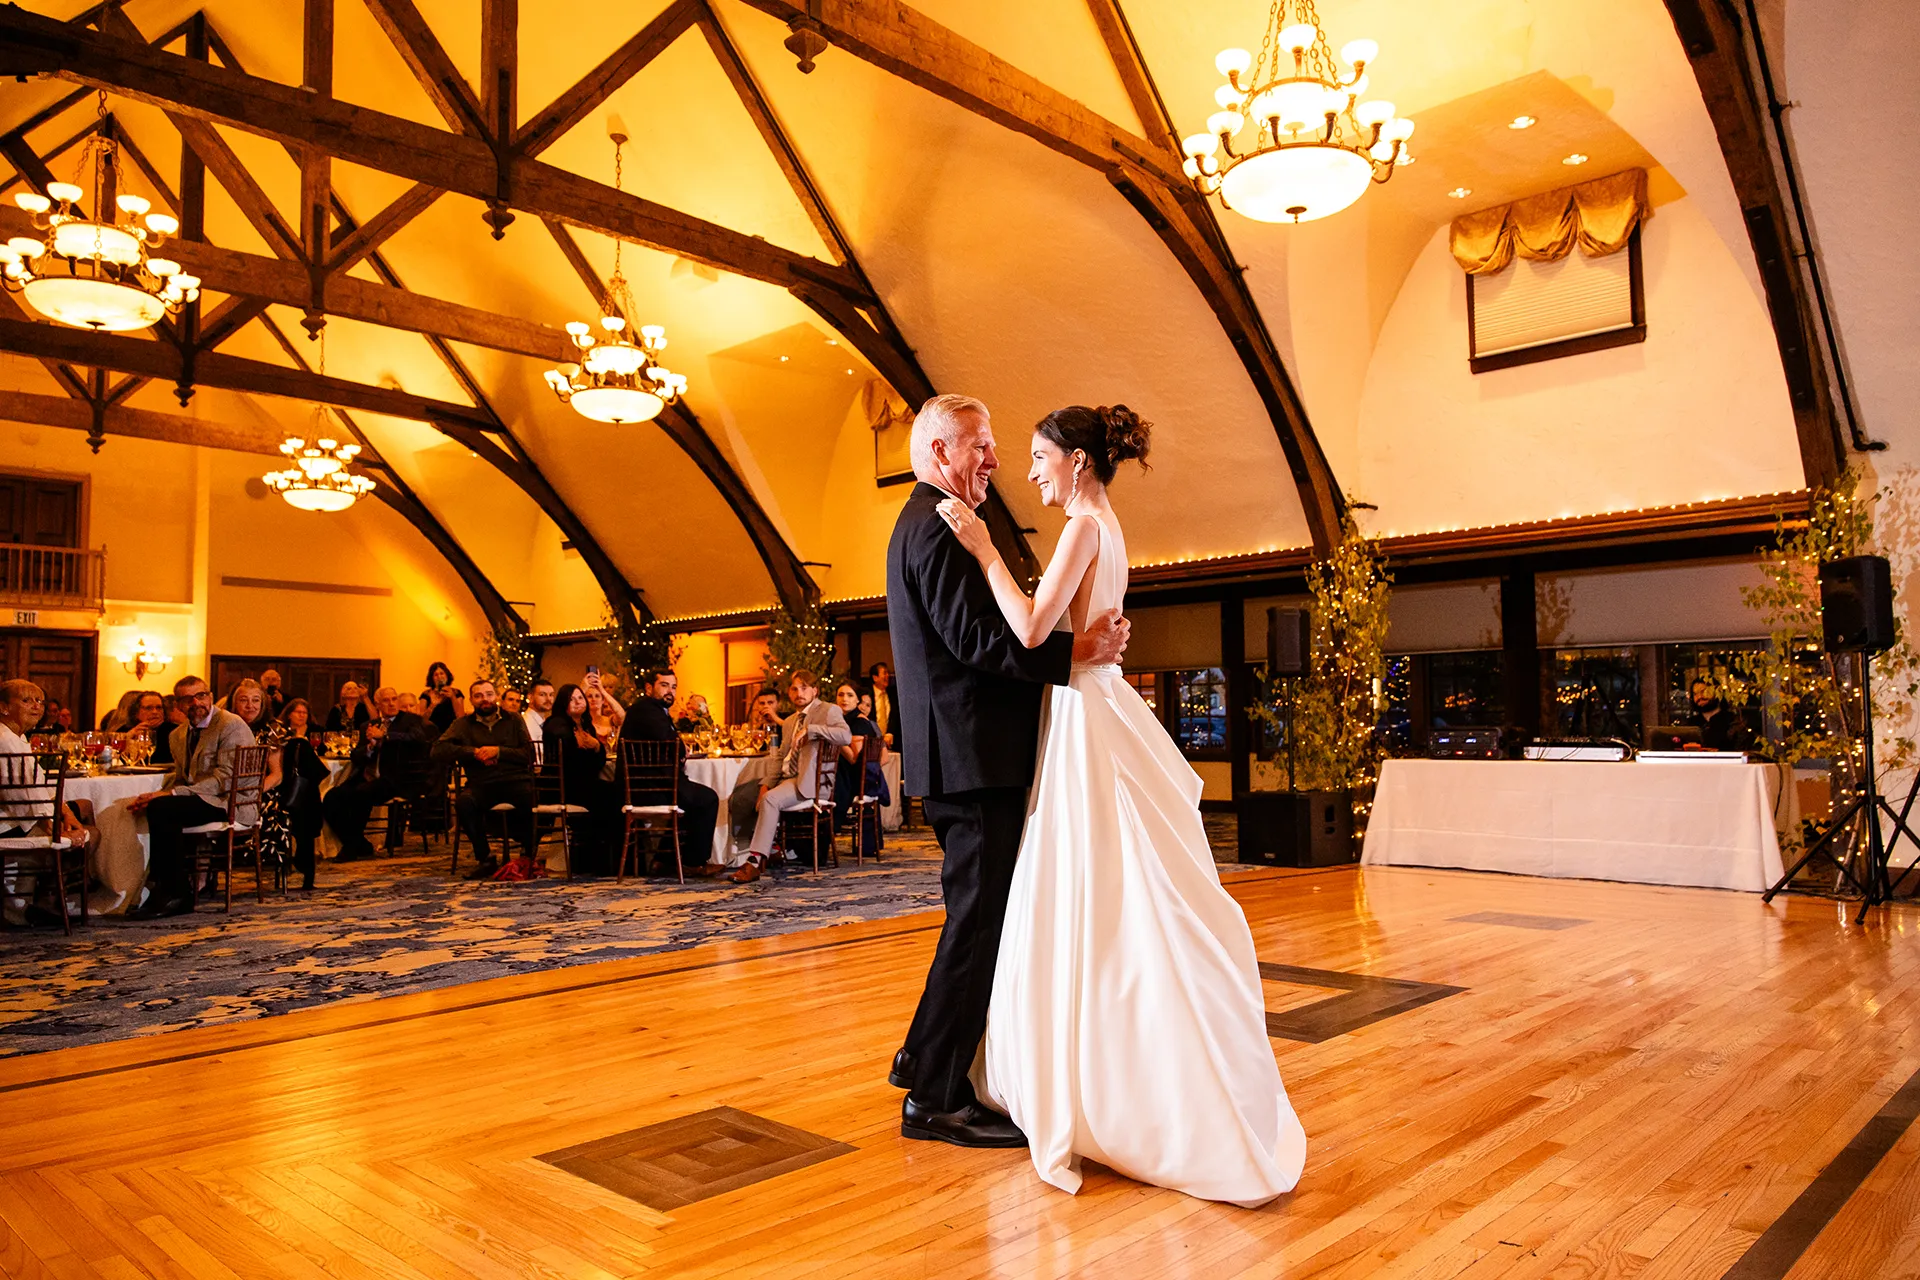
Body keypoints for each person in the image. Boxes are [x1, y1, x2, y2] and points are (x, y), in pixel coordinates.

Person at [933, 402, 1304, 1205]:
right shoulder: (1109, 523)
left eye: (1037, 457)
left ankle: (1095, 1076)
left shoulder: (1081, 528)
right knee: (1104, 880)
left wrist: (986, 551)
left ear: (1075, 460)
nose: (1028, 472)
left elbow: (1032, 631)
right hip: (1090, 701)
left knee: (1087, 883)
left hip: (1084, 714)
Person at [883, 392, 1131, 1151]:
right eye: (980, 447)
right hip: (970, 757)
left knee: (975, 919)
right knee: (976, 923)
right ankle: (934, 1099)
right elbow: (975, 642)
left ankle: (924, 1060)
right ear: (937, 454)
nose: (994, 461)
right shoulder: (935, 527)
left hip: (971, 755)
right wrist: (1072, 655)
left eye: (997, 446)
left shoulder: (944, 521)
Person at [124, 675, 259, 919]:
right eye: (188, 699)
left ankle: (172, 891)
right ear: (178, 706)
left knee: (164, 808)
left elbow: (226, 780)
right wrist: (159, 795)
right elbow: (183, 777)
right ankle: (163, 888)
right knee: (156, 806)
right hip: (202, 798)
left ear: (209, 696)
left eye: (201, 696)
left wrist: (170, 794)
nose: (196, 702)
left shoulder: (231, 725)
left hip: (231, 801)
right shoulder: (177, 735)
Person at [731, 670, 851, 885]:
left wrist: (811, 730)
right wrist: (766, 784)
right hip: (787, 778)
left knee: (770, 800)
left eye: (804, 688)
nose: (799, 693)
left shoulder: (828, 710)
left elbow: (845, 736)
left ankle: (755, 861)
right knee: (743, 795)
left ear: (815, 690)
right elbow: (779, 759)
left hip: (811, 781)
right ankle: (772, 847)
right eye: (794, 688)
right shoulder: (789, 721)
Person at [0, 680, 97, 927]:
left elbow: (41, 787)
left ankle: (53, 891)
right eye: (26, 701)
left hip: (22, 813)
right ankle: (49, 897)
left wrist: (68, 817)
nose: (36, 706)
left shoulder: (16, 736)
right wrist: (56, 827)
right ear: (3, 707)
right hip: (10, 822)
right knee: (92, 834)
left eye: (40, 701)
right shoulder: (6, 741)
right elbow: (26, 799)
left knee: (83, 808)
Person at [619, 669, 721, 877]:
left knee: (693, 801)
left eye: (673, 687)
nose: (670, 691)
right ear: (649, 688)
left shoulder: (650, 709)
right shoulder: (646, 709)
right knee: (707, 799)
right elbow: (671, 741)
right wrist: (682, 750)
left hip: (652, 783)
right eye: (664, 685)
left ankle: (663, 861)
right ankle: (693, 863)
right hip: (649, 787)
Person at [431, 679, 536, 879]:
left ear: (496, 696)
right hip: (481, 783)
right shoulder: (462, 724)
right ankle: (485, 858)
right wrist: (473, 752)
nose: (484, 699)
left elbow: (529, 753)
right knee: (464, 802)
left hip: (515, 780)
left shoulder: (513, 719)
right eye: (478, 696)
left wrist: (498, 752)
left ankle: (527, 855)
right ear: (471, 700)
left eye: (488, 694)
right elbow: (437, 750)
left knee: (533, 798)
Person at [323, 686, 436, 863]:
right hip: (368, 776)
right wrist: (370, 747)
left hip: (398, 779)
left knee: (361, 794)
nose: (391, 703)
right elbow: (355, 755)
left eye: (394, 699)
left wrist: (386, 735)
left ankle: (350, 849)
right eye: (386, 700)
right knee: (331, 797)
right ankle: (359, 843)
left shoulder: (411, 720)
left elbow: (417, 738)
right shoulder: (368, 725)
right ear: (377, 704)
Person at [540, 683, 621, 875]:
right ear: (563, 703)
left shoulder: (586, 726)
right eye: (572, 699)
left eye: (580, 698)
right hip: (561, 786)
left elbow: (598, 762)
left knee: (617, 793)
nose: (577, 702)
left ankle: (608, 861)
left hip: (583, 783)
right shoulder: (556, 723)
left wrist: (595, 747)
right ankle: (601, 863)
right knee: (610, 797)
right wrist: (583, 747)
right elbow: (570, 755)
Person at [259, 698, 328, 889]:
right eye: (298, 712)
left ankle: (301, 857)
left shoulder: (312, 733)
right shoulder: (277, 732)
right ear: (289, 713)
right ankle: (304, 860)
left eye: (304, 713)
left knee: (308, 798)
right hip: (275, 791)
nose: (301, 716)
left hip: (288, 790)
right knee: (309, 800)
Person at [832, 678, 890, 849]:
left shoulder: (859, 723)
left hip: (858, 780)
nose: (844, 699)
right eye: (840, 694)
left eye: (850, 695)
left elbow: (855, 760)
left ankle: (826, 832)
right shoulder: (842, 720)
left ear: (858, 700)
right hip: (848, 776)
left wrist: (836, 738)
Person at [1686, 680, 1753, 751]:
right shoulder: (1691, 724)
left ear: (1717, 693)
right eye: (1695, 694)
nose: (1699, 697)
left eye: (1703, 692)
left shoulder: (1734, 722)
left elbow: (1742, 753)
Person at [422, 662, 465, 736]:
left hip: (452, 732)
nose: (439, 677)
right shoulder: (426, 694)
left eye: (442, 673)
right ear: (432, 678)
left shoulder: (456, 693)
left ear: (447, 675)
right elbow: (421, 720)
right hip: (432, 733)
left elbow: (461, 717)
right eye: (436, 675)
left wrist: (452, 697)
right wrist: (432, 705)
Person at [868, 662, 901, 752]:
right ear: (875, 678)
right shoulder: (867, 694)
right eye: (884, 673)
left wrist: (890, 733)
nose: (888, 676)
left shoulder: (893, 695)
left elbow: (895, 716)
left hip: (891, 743)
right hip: (871, 742)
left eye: (888, 673)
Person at [522, 679, 555, 744]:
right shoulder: (525, 723)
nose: (548, 699)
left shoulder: (545, 722)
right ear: (530, 697)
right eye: (542, 694)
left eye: (551, 695)